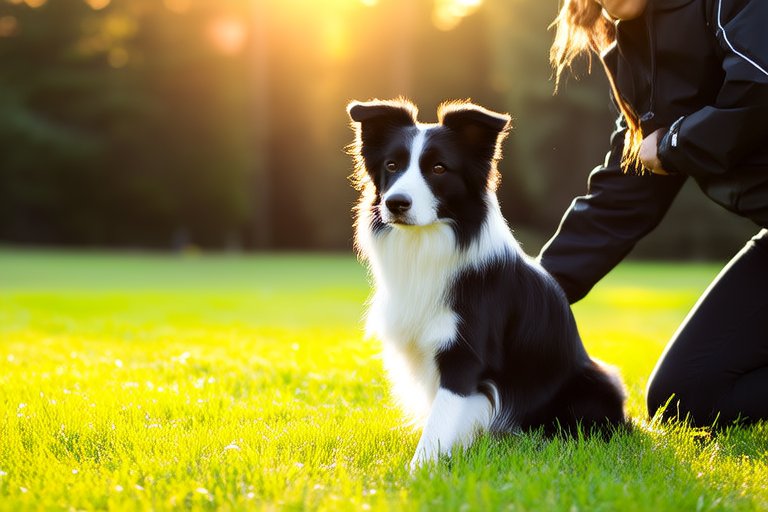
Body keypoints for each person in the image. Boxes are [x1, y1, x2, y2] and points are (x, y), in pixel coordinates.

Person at [539, 0, 768, 427]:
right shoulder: (634, 44)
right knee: (683, 398)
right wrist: (530, 293)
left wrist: (674, 144)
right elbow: (628, 191)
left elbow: (761, 83)